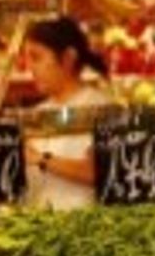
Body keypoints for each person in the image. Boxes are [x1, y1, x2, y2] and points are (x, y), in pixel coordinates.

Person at [22, 16, 112, 210]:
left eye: (36, 57)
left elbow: (102, 172)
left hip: (83, 230)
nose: (29, 67)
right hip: (39, 228)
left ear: (68, 58)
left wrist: (41, 159)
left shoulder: (98, 108)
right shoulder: (38, 114)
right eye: (27, 59)